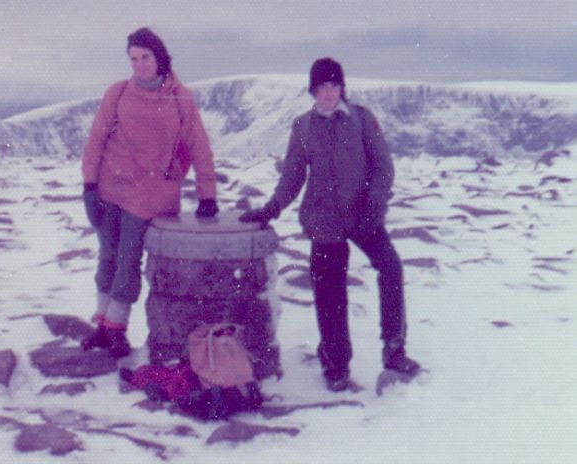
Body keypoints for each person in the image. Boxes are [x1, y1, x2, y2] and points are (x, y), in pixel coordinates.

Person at [239, 57, 420, 391]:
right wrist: (271, 208)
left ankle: (395, 350)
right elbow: (293, 175)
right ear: (313, 91)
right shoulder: (303, 127)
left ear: (342, 87)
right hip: (324, 219)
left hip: (364, 214)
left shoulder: (363, 120)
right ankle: (336, 364)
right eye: (321, 87)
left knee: (391, 269)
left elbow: (384, 168)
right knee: (329, 292)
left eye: (333, 86)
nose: (327, 93)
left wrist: (375, 205)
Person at [80, 27, 219, 358]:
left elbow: (199, 145)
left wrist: (207, 194)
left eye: (146, 57)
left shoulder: (180, 97)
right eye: (134, 59)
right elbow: (97, 139)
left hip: (151, 195)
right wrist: (88, 186)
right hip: (110, 186)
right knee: (107, 257)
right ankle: (103, 326)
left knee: (127, 260)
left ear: (159, 58)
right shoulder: (118, 92)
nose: (140, 65)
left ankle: (116, 328)